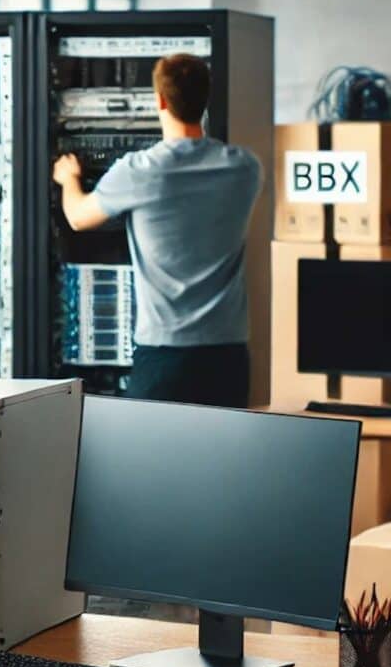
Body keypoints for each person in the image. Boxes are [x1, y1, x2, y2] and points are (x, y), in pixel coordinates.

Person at [52, 53, 261, 407]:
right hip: (228, 356)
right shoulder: (244, 168)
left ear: (160, 101)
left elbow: (77, 217)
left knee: (151, 461)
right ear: (205, 99)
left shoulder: (137, 171)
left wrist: (69, 179)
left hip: (164, 358)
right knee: (225, 461)